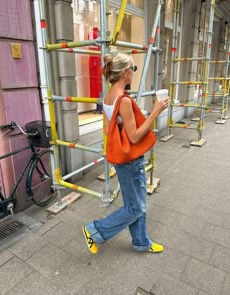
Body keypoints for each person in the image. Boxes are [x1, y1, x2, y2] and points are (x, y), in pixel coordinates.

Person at [82, 53, 169, 254]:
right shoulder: (124, 101)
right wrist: (156, 111)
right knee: (136, 207)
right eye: (133, 68)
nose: (133, 73)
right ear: (124, 73)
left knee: (137, 203)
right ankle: (95, 230)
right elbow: (136, 136)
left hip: (121, 160)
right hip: (130, 161)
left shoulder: (108, 98)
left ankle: (141, 242)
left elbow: (107, 129)